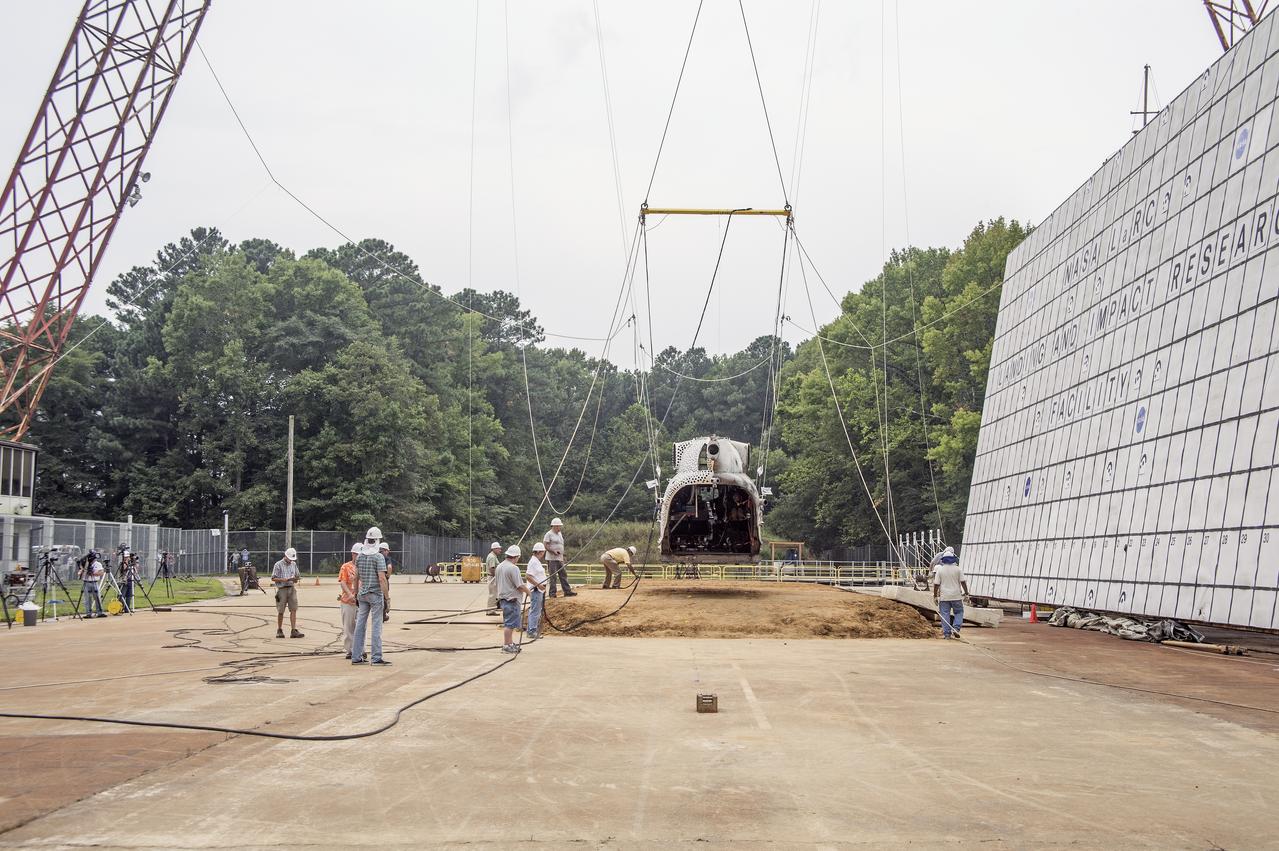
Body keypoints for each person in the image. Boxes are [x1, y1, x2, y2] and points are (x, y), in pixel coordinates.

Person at [351, 526, 390, 666]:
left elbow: (356, 577)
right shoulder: (378, 557)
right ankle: (376, 657)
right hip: (375, 594)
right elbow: (382, 579)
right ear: (378, 540)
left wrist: (356, 594)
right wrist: (387, 598)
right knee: (376, 626)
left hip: (362, 595)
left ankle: (356, 656)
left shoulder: (360, 557)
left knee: (360, 625)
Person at [495, 545, 528, 653]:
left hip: (503, 599)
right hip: (512, 599)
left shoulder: (500, 566)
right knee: (509, 624)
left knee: (509, 623)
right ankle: (506, 645)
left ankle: (510, 643)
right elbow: (519, 585)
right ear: (516, 556)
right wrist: (529, 592)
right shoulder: (513, 568)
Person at [932, 548, 968, 639]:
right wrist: (966, 593)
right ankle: (956, 628)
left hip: (944, 597)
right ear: (953, 559)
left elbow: (936, 584)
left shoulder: (940, 570)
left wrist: (935, 596)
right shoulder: (958, 569)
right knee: (959, 612)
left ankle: (947, 634)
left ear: (943, 560)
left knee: (945, 615)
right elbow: (963, 582)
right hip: (956, 596)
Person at [271, 547, 305, 639]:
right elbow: (273, 578)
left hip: (291, 588)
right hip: (282, 589)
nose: (291, 560)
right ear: (285, 556)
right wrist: (283, 579)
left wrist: (295, 579)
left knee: (293, 609)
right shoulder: (278, 564)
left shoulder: (293, 564)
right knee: (281, 611)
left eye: (292, 559)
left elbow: (297, 575)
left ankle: (293, 630)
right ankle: (279, 630)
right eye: (290, 559)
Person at [338, 542, 360, 658]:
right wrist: (350, 594)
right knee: (348, 627)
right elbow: (343, 582)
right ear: (353, 554)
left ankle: (360, 649)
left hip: (361, 601)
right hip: (348, 601)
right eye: (356, 554)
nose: (358, 556)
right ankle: (350, 650)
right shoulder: (346, 567)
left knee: (360, 626)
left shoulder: (364, 567)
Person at [543, 518, 575, 598]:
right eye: (558, 526)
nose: (559, 528)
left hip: (559, 558)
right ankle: (552, 593)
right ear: (554, 526)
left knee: (563, 574)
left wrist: (562, 555)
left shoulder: (559, 534)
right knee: (553, 576)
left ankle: (567, 591)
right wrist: (553, 551)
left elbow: (561, 545)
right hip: (552, 559)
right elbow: (545, 545)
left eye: (560, 526)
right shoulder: (548, 534)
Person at [524, 542, 549, 639]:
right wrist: (538, 585)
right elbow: (528, 576)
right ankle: (531, 631)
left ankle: (533, 630)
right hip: (536, 590)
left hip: (539, 590)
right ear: (539, 552)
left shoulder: (536, 561)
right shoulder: (533, 562)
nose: (543, 554)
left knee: (536, 611)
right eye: (542, 552)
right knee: (535, 611)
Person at [78, 551, 106, 618]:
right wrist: (83, 570)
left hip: (94, 582)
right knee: (87, 599)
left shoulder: (98, 564)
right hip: (86, 582)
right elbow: (79, 573)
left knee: (97, 598)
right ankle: (88, 613)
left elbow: (101, 573)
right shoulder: (85, 564)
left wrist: (93, 573)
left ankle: (100, 612)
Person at [485, 541, 503, 617]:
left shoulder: (492, 556)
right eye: (499, 549)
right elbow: (492, 568)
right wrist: (497, 575)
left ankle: (493, 608)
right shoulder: (492, 557)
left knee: (495, 594)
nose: (500, 550)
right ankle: (490, 610)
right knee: (493, 594)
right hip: (492, 577)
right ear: (494, 549)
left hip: (493, 577)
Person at [378, 541, 394, 623]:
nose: (388, 552)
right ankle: (383, 615)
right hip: (383, 580)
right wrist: (388, 575)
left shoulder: (375, 556)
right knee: (384, 597)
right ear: (385, 550)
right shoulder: (386, 558)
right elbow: (390, 567)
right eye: (387, 551)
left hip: (375, 580)